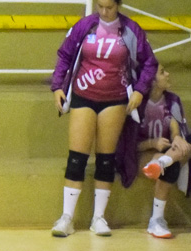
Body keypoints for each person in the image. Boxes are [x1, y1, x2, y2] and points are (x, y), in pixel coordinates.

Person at [49, 0, 157, 237]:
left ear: (118, 5)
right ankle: (67, 218)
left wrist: (139, 89)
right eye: (100, 6)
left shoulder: (131, 29)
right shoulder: (85, 26)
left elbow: (149, 62)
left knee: (106, 159)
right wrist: (57, 85)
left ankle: (99, 218)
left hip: (115, 99)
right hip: (83, 95)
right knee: (76, 158)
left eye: (109, 7)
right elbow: (65, 55)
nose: (104, 11)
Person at [134, 65, 189, 238]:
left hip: (166, 154)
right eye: (163, 72)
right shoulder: (138, 104)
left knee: (181, 147)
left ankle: (163, 163)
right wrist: (152, 142)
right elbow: (127, 145)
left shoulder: (171, 100)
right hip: (142, 154)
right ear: (152, 80)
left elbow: (174, 127)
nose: (168, 74)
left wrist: (177, 137)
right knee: (170, 164)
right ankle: (156, 220)